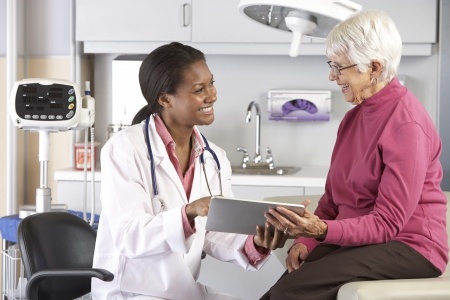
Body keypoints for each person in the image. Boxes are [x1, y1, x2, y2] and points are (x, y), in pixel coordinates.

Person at [260, 9, 448, 300]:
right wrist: (308, 241)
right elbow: (333, 200)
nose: (332, 76)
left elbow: (387, 223)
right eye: (330, 65)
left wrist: (322, 230)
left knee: (290, 292)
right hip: (364, 241)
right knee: (275, 291)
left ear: (373, 67)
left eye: (339, 67)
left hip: (410, 246)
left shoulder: (406, 125)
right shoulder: (352, 119)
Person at [91, 42, 288, 300]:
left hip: (182, 290)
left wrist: (257, 243)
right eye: (199, 89)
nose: (212, 95)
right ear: (165, 99)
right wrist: (189, 212)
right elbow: (130, 236)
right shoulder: (125, 148)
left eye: (211, 83)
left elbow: (216, 233)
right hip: (132, 291)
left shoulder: (214, 157)